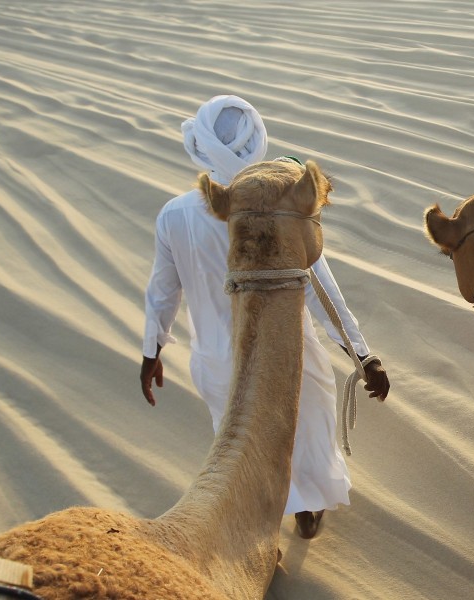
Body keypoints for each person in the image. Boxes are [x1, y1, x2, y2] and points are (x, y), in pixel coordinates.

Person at [139, 94, 390, 540]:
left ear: (197, 144)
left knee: (239, 445)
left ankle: (259, 523)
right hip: (287, 357)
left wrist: (150, 351)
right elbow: (321, 291)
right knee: (306, 428)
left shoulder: (174, 214)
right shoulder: (281, 205)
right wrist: (363, 355)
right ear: (257, 142)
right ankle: (306, 509)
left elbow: (162, 290)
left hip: (217, 361)